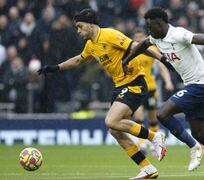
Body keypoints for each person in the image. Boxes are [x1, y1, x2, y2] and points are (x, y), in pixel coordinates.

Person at [38, 8, 166, 179]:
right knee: (114, 129)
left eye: (80, 26)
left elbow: (138, 46)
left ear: (91, 25)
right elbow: (78, 60)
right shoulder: (91, 45)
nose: (78, 30)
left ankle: (154, 136)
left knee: (111, 120)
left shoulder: (109, 35)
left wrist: (161, 58)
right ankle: (147, 168)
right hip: (120, 86)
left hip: (134, 82)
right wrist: (55, 68)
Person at [122, 7, 204, 180]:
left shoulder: (178, 34)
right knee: (199, 132)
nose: (148, 31)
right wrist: (126, 60)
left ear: (159, 24)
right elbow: (143, 45)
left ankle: (195, 147)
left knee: (162, 113)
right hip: (195, 86)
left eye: (150, 27)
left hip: (200, 85)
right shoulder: (156, 38)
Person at [132, 28, 174, 155]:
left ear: (145, 38)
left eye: (141, 37)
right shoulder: (131, 50)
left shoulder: (152, 50)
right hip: (136, 89)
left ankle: (155, 144)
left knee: (152, 118)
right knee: (138, 117)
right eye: (136, 37)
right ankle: (142, 144)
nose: (138, 39)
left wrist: (168, 81)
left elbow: (161, 67)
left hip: (150, 88)